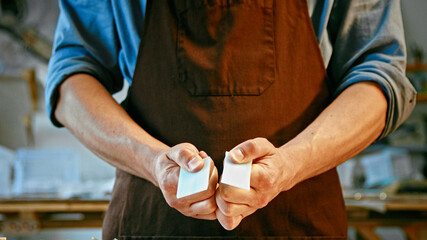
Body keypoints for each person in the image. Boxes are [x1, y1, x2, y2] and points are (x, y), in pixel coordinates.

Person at [46, 0, 416, 239]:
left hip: (298, 225)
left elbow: (378, 71)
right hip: (153, 224)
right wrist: (153, 162)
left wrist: (289, 165)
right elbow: (71, 78)